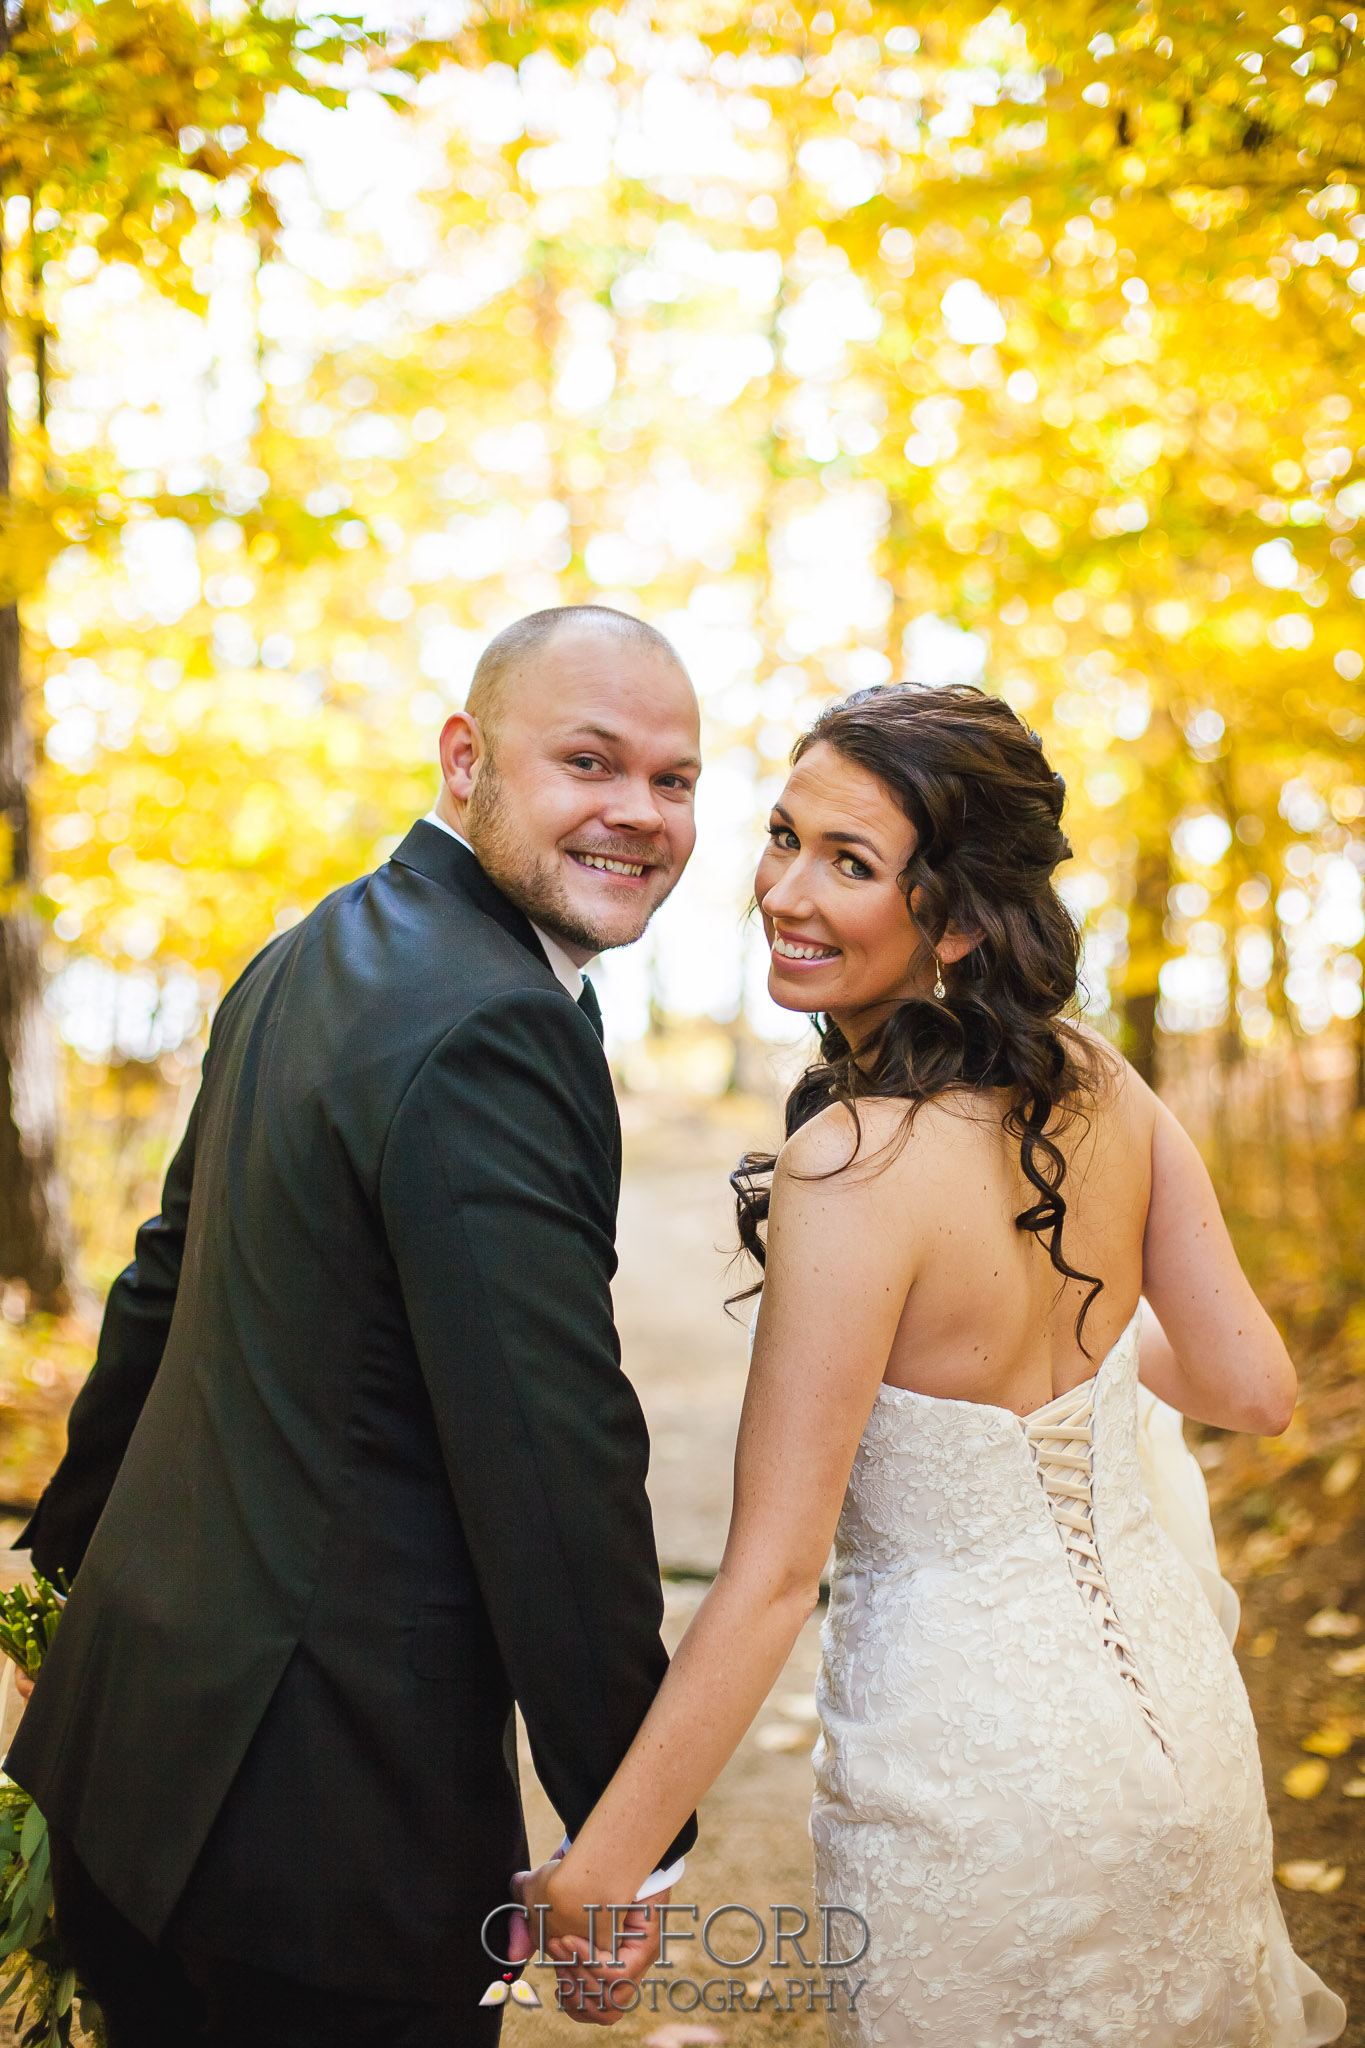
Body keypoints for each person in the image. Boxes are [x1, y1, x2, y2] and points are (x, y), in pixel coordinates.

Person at [522, 682, 1347, 2046]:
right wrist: (1065, 1344)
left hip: (974, 1789)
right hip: (1185, 1745)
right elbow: (1249, 1387)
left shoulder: (848, 1167)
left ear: (958, 918)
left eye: (847, 863)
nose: (783, 890)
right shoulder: (1101, 1083)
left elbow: (775, 1576)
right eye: (783, 837)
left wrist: (602, 1870)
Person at [8, 604, 702, 2048]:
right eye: (590, 761)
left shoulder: (307, 954)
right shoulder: (496, 1024)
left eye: (674, 778)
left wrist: (61, 1577)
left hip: (125, 1768)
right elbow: (550, 1457)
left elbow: (158, 1282)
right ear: (465, 760)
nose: (638, 813)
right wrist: (632, 1821)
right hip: (320, 1847)